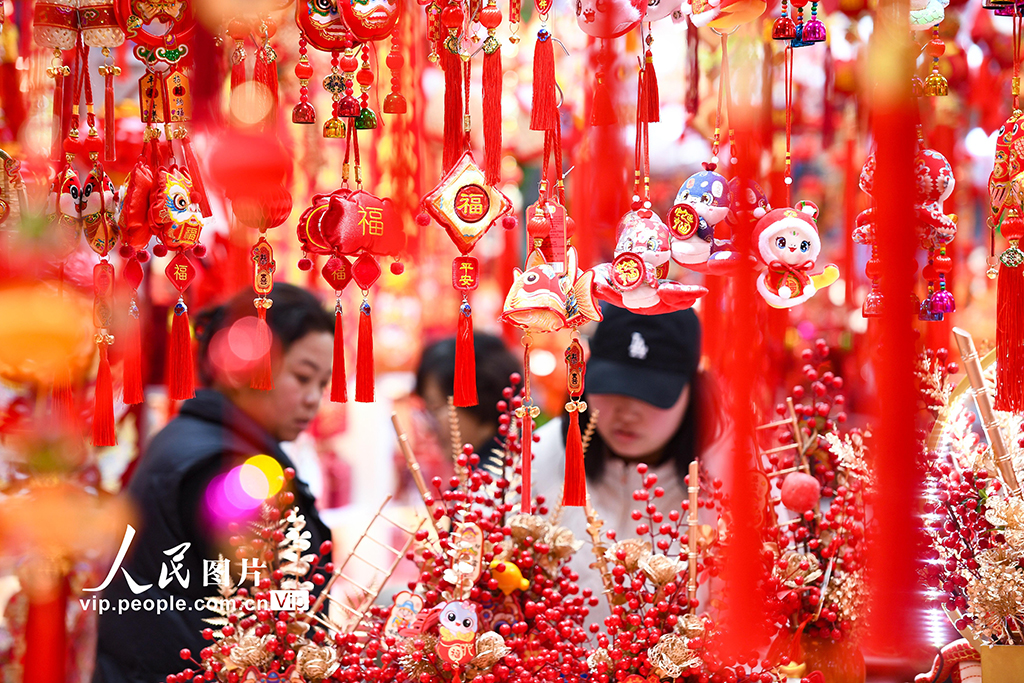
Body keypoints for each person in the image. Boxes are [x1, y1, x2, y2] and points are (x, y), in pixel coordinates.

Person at [93, 283, 335, 683]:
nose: (313, 399)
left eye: (322, 384)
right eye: (302, 376)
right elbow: (269, 612)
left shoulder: (194, 441)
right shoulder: (222, 465)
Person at [531, 304, 725, 621]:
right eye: (611, 386)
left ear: (694, 391)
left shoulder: (728, 483)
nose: (627, 412)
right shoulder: (539, 457)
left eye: (651, 395)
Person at [414, 333, 523, 472]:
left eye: (435, 408)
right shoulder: (516, 466)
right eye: (427, 411)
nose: (429, 428)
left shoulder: (498, 481)